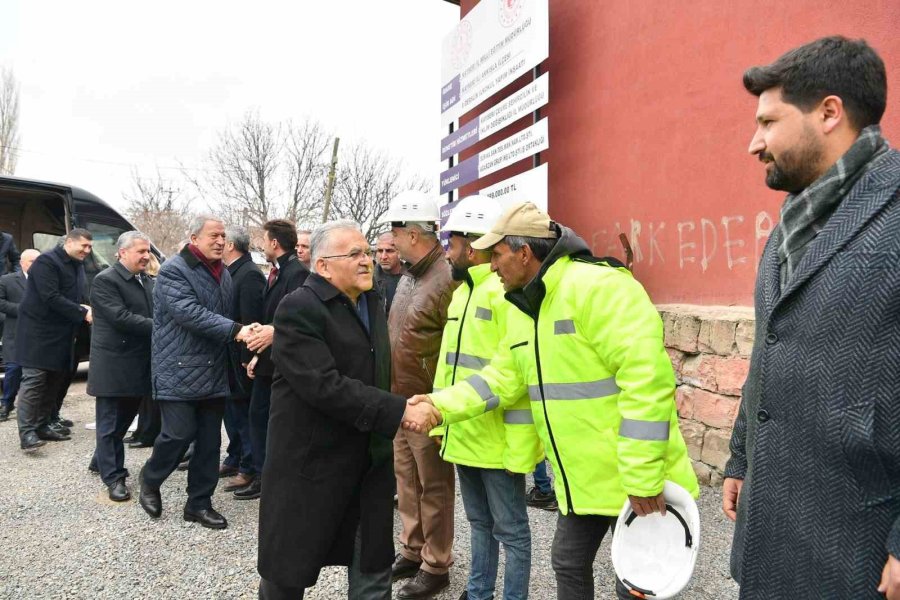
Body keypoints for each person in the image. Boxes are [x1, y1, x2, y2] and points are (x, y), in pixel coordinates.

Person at [405, 202, 699, 600]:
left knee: (636, 582)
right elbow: (502, 377)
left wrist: (643, 476)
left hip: (637, 480)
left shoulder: (600, 287)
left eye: (497, 255)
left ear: (524, 253)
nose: (490, 267)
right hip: (581, 482)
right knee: (567, 562)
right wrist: (440, 406)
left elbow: (647, 382)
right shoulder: (525, 308)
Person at [721, 36, 900, 600]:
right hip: (771, 525)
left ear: (829, 112)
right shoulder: (788, 230)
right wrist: (742, 454)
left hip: (856, 546)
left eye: (768, 122)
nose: (754, 143)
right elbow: (769, 351)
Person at [256, 220, 440, 599]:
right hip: (311, 465)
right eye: (354, 254)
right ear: (323, 265)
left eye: (367, 252)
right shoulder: (298, 308)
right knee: (287, 572)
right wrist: (400, 410)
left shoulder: (372, 300)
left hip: (367, 461)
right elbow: (325, 386)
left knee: (372, 568)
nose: (367, 261)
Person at [432, 195, 542, 600]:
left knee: (511, 532)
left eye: (451, 241)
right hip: (464, 433)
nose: (447, 251)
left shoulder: (504, 293)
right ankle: (479, 594)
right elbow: (449, 368)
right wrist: (442, 420)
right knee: (478, 524)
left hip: (498, 440)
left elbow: (509, 375)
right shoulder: (461, 293)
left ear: (471, 244)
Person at [138, 215, 255, 529]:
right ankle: (150, 479)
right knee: (177, 434)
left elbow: (224, 314)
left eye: (223, 237)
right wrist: (238, 331)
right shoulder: (174, 270)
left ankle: (198, 504)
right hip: (178, 369)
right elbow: (189, 313)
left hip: (213, 371)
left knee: (208, 443)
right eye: (213, 236)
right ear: (194, 238)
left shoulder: (222, 272)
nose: (220, 241)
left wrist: (247, 344)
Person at [381, 190, 457, 599]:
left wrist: (441, 405)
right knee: (407, 482)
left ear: (412, 233)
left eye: (394, 232)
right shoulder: (409, 275)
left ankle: (437, 562)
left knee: (435, 486)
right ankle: (413, 549)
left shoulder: (446, 278)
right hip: (398, 401)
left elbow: (453, 347)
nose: (390, 242)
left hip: (428, 405)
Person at [240, 219, 309, 500]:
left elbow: (299, 321)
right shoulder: (279, 272)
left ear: (274, 243)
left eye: (264, 239)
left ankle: (267, 479)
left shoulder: (297, 275)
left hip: (286, 365)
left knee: (269, 423)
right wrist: (259, 356)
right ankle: (262, 475)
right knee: (258, 418)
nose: (261, 244)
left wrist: (272, 340)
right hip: (271, 361)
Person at [86, 231, 154, 502]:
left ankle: (100, 460)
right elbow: (121, 318)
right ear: (122, 252)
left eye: (147, 251)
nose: (146, 256)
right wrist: (164, 328)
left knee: (120, 422)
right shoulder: (106, 281)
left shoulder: (146, 281)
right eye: (140, 251)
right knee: (111, 425)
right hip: (114, 367)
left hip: (138, 365)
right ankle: (114, 477)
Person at [15, 230, 93, 450]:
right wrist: (81, 312)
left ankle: (43, 424)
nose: (87, 251)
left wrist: (86, 306)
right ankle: (27, 433)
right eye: (84, 246)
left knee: (54, 381)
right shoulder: (47, 263)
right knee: (35, 381)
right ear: (68, 242)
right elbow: (50, 297)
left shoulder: (76, 264)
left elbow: (77, 294)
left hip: (61, 334)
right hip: (37, 334)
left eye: (89, 247)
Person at [220, 225, 265, 494]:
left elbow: (251, 319)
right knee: (232, 414)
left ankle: (249, 468)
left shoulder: (248, 275)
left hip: (241, 359)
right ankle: (235, 458)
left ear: (230, 245)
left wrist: (249, 357)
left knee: (244, 414)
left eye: (221, 239)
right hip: (228, 355)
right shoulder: (232, 272)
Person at [0, 249, 39, 422]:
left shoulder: (46, 280)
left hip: (39, 335)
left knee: (42, 374)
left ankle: (48, 413)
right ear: (22, 262)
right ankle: (6, 404)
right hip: (15, 333)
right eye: (32, 262)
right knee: (14, 370)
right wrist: (22, 310)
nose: (35, 265)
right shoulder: (7, 280)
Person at [372, 231, 405, 317]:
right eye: (379, 251)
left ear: (400, 252)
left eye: (389, 251)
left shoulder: (413, 279)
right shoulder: (369, 281)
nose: (383, 257)